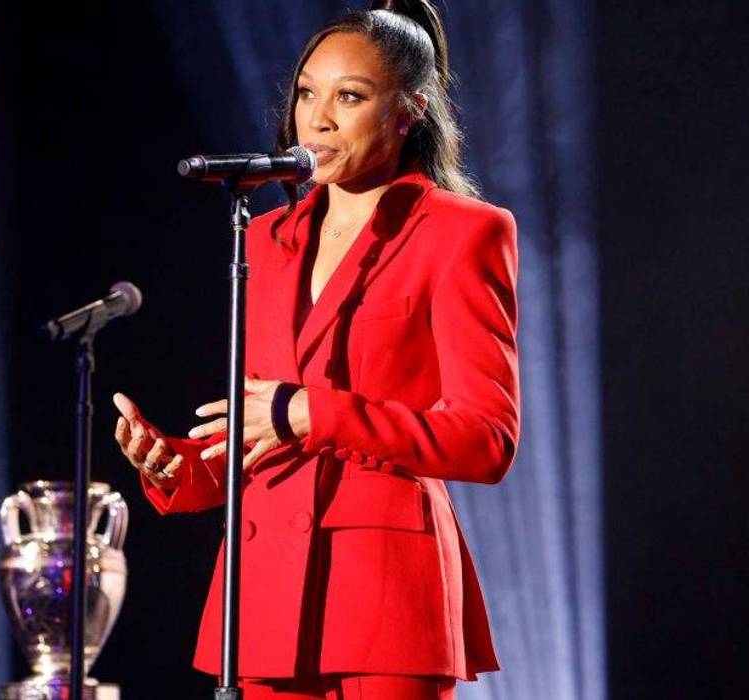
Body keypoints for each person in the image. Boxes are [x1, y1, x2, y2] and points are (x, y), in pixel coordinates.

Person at [113, 2, 520, 698]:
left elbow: (485, 441)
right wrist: (178, 466)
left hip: (386, 605)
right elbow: (263, 435)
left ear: (408, 112)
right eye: (306, 93)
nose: (318, 118)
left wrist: (317, 412)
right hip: (263, 605)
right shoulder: (267, 242)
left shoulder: (461, 233)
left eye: (349, 97)